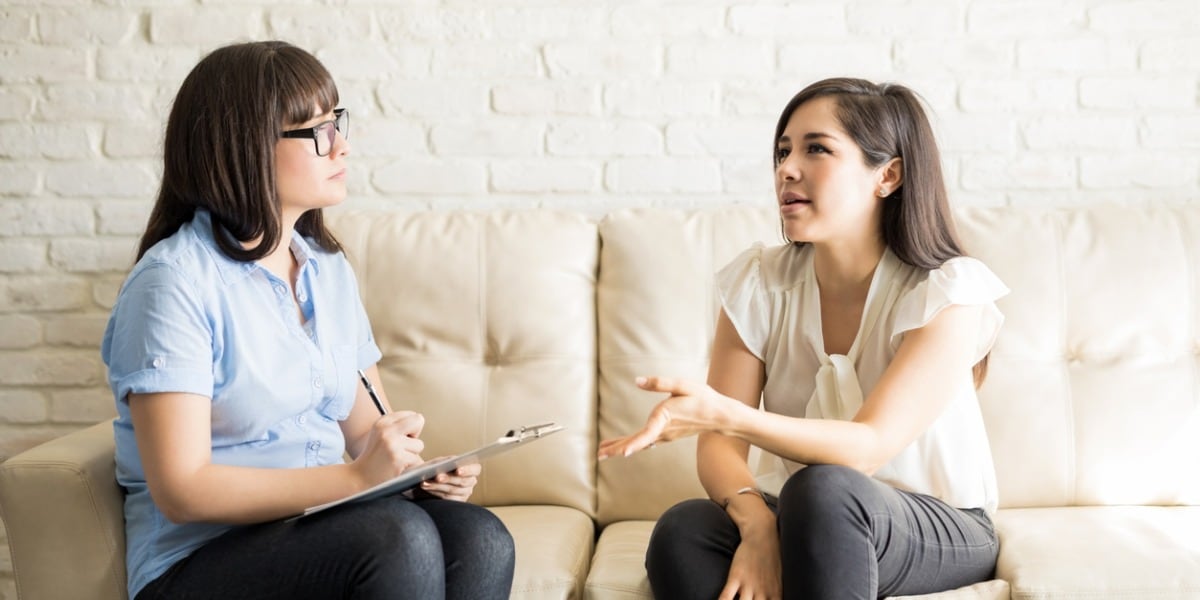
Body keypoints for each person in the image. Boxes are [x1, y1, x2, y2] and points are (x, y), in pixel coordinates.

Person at [101, 41, 515, 600]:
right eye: (316, 131)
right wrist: (353, 479)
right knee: (396, 537)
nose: (341, 145)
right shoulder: (173, 282)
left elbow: (369, 434)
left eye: (336, 121)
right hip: (197, 559)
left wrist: (417, 474)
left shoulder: (326, 269)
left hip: (315, 526)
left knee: (480, 537)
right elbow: (183, 488)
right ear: (244, 149)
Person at [599, 78, 1009, 600]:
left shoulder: (948, 290)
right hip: (806, 514)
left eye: (817, 148)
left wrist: (723, 413)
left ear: (888, 174)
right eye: (782, 151)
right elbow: (720, 450)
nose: (787, 169)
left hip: (938, 522)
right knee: (686, 530)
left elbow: (867, 447)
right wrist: (756, 525)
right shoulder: (758, 282)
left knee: (824, 489)